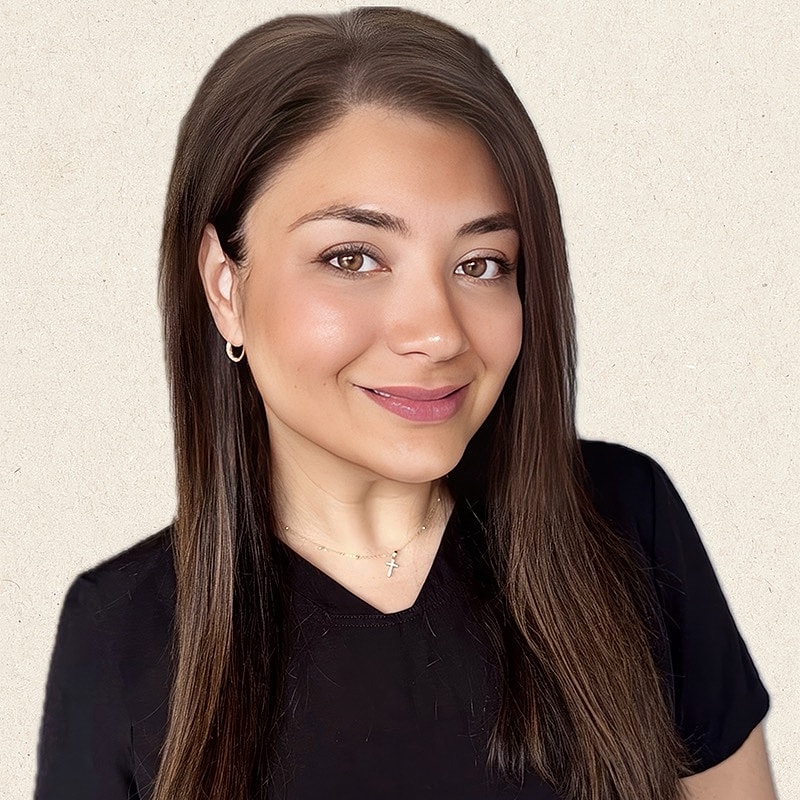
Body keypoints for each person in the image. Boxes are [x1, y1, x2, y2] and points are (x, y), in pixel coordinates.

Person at [35, 8, 775, 800]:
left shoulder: (628, 519)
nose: (436, 333)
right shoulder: (118, 635)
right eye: (352, 257)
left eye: (483, 263)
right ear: (225, 285)